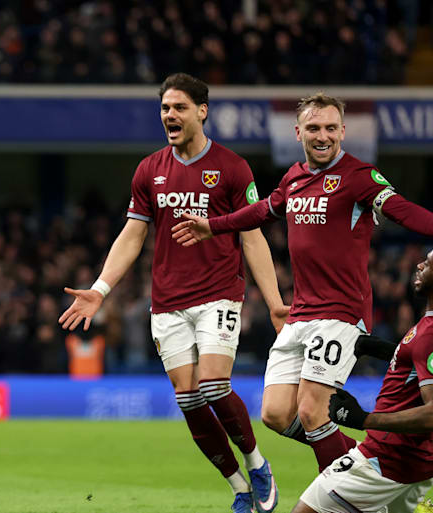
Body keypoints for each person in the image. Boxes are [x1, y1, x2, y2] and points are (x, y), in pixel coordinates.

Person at [171, 92, 433, 473]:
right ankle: (374, 468)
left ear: (343, 132)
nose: (323, 135)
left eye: (331, 128)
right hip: (301, 315)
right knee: (277, 414)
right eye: (314, 127)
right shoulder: (293, 178)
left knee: (313, 410)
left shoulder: (359, 177)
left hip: (341, 314)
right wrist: (211, 226)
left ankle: (341, 496)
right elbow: (262, 210)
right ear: (298, 132)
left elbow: (399, 208)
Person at [59, 73, 288, 513]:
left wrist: (275, 301)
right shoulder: (149, 170)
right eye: (165, 108)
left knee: (214, 383)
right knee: (187, 398)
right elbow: (132, 234)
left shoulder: (233, 168)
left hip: (219, 293)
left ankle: (258, 464)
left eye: (179, 107)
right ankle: (239, 486)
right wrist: (100, 289)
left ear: (202, 111)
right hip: (167, 302)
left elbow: (253, 238)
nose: (170, 115)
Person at [291, 242, 433, 513]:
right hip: (422, 457)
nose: (420, 265)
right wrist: (392, 351)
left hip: (388, 456)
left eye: (429, 263)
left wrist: (364, 419)